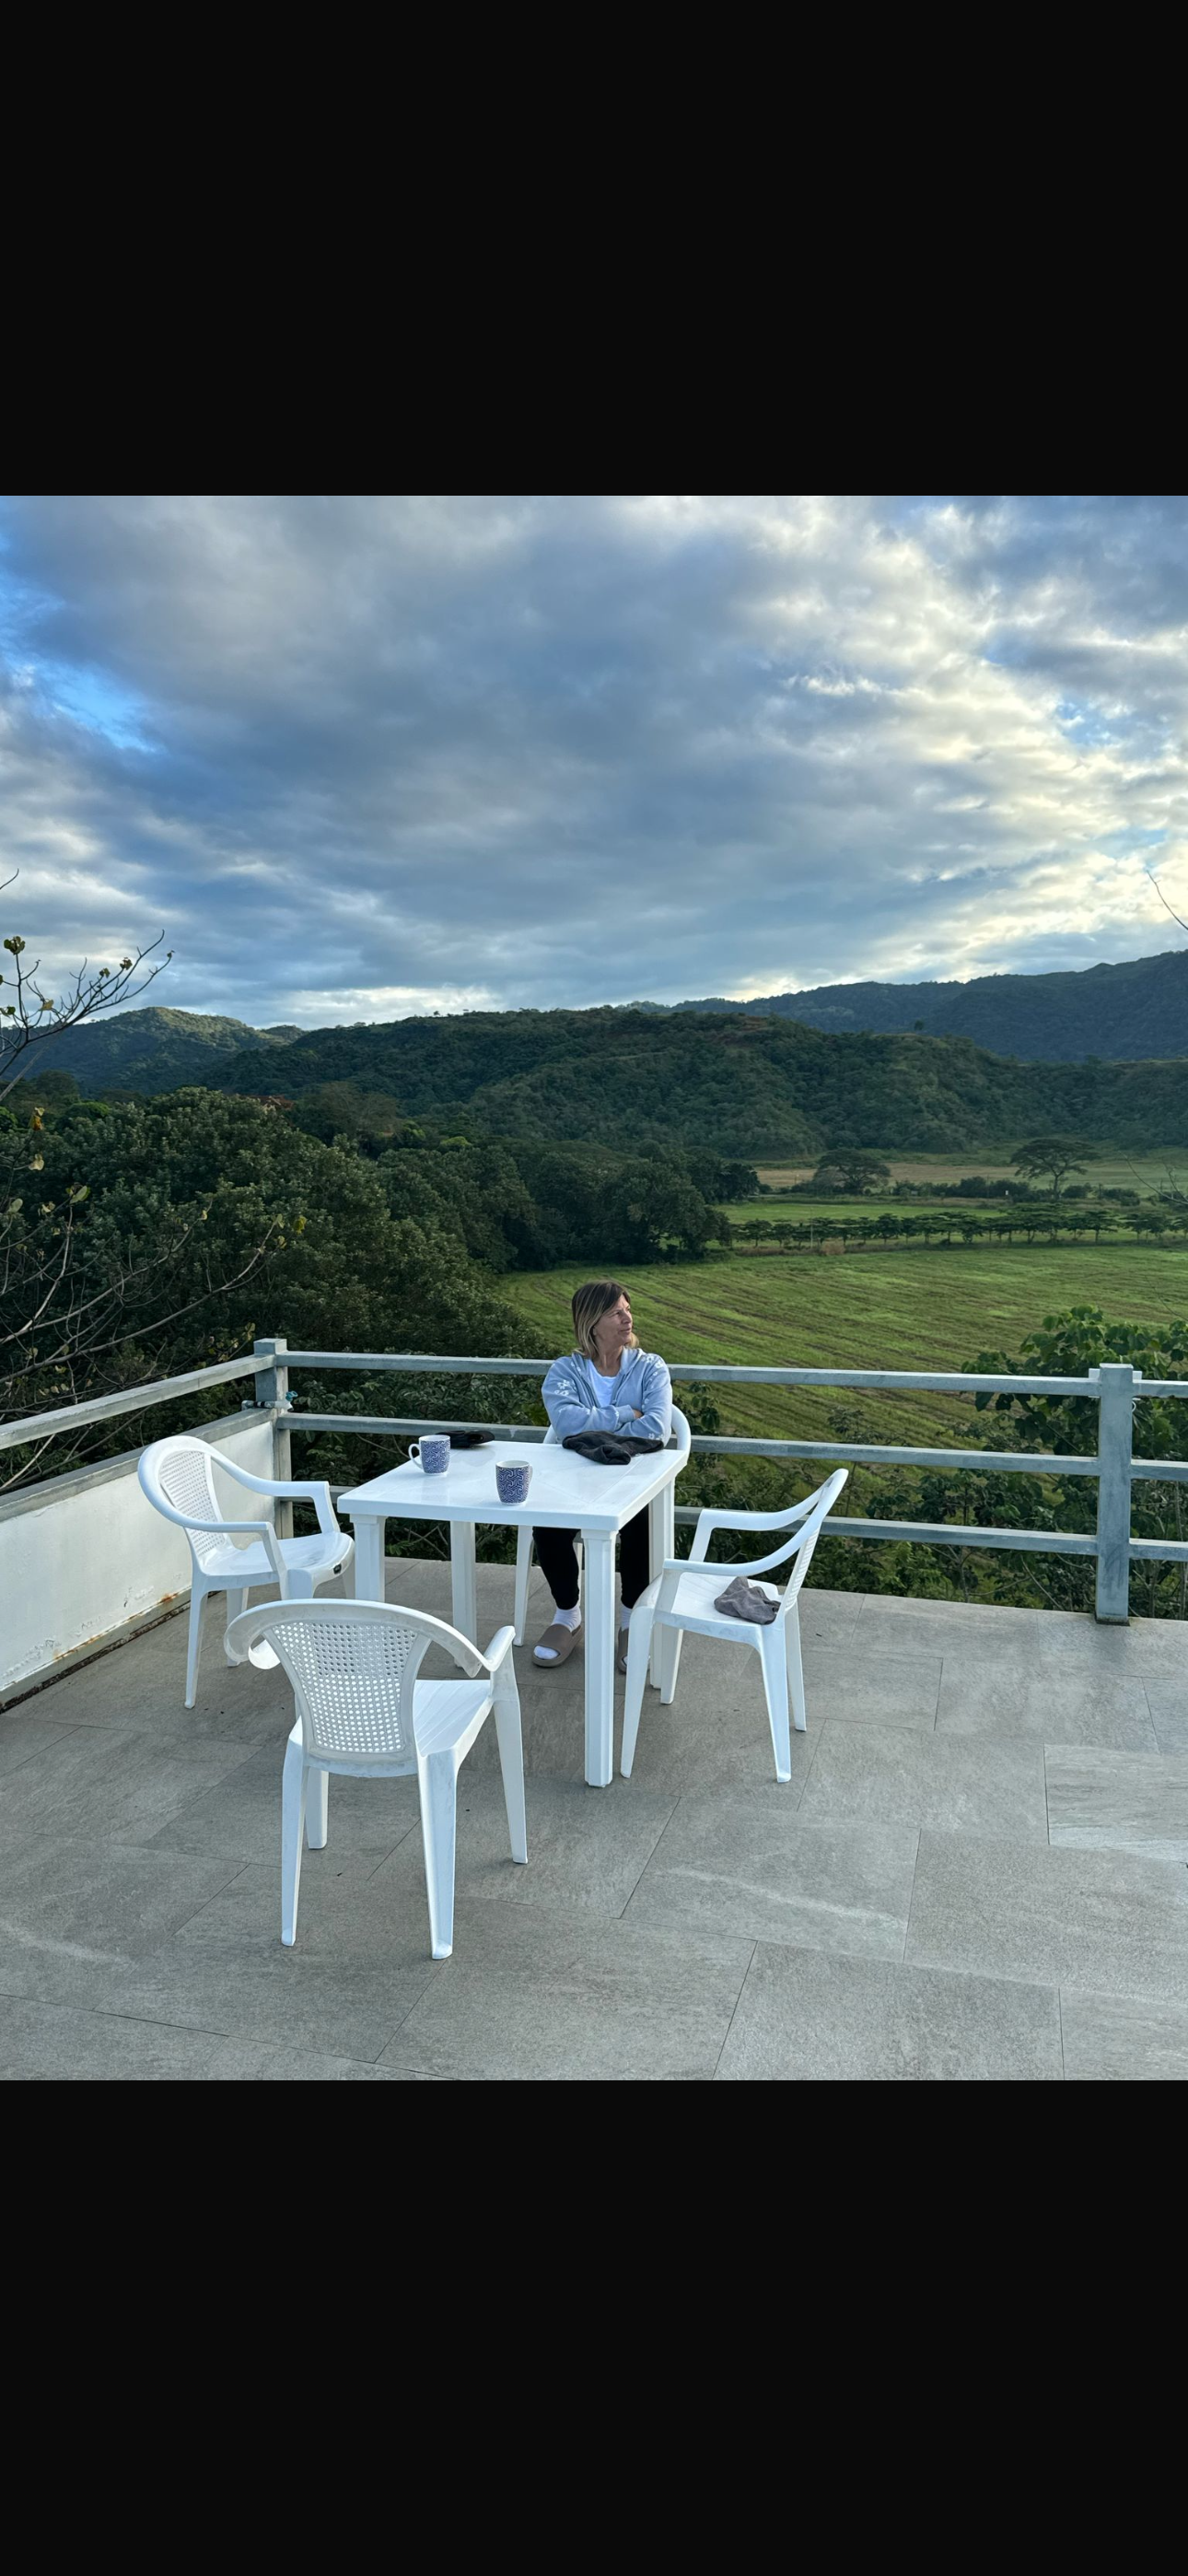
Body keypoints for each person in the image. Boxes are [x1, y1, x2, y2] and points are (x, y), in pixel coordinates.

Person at [532, 1278, 672, 1671]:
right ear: (592, 1323)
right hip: (574, 1480)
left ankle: (631, 1620)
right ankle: (567, 1616)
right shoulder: (565, 1370)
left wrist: (592, 1428)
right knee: (547, 1523)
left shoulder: (650, 1367)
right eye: (615, 1313)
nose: (627, 1319)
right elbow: (565, 1424)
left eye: (628, 1310)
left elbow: (657, 1430)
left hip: (633, 1479)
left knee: (641, 1523)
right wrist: (627, 1414)